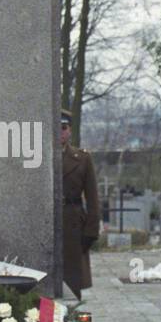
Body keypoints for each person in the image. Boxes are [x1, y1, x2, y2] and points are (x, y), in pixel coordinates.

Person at [61, 107, 101, 299]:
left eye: (64, 128)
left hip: (72, 223)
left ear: (69, 131)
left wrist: (91, 231)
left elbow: (92, 198)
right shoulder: (37, 157)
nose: (60, 132)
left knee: (71, 283)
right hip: (47, 221)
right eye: (56, 128)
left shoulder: (82, 158)